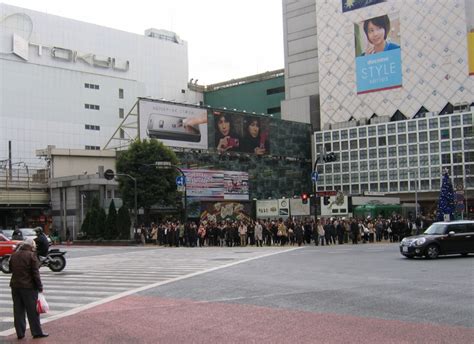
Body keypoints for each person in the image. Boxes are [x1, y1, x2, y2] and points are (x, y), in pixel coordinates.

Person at [9, 238, 48, 339]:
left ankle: (20, 333)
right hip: (28, 287)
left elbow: (10, 269)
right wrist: (40, 287)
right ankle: (36, 332)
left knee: (18, 310)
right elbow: (35, 273)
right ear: (31, 246)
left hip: (15, 286)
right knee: (32, 312)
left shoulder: (14, 255)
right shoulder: (31, 255)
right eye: (34, 246)